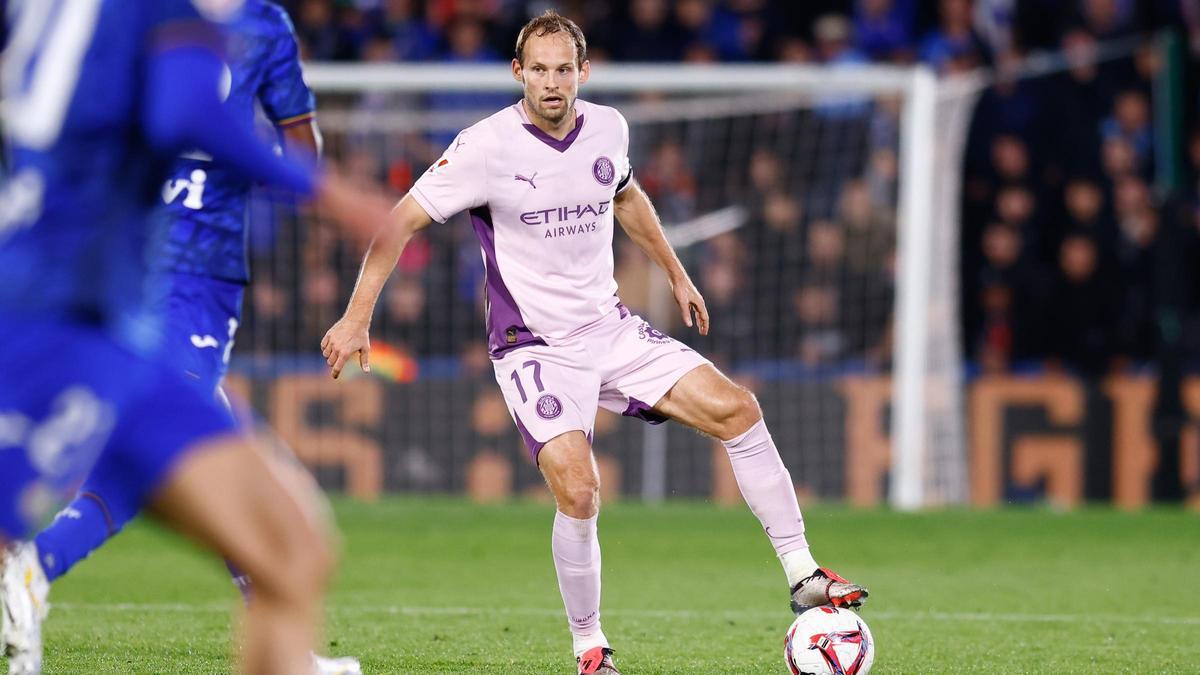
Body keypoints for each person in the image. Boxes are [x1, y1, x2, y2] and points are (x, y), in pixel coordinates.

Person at [321, 11, 868, 675]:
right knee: (580, 490)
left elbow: (626, 196)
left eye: (564, 70)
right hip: (533, 347)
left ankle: (803, 573)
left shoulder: (609, 127)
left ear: (584, 71)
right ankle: (589, 645)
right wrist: (357, 317)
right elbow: (398, 222)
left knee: (738, 409)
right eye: (539, 70)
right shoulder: (484, 147)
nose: (552, 83)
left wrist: (675, 272)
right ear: (518, 72)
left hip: (609, 329)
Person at [0, 1, 391, 673]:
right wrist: (329, 193)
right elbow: (184, 109)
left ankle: (32, 568)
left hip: (112, 327)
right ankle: (31, 570)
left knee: (292, 547)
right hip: (58, 317)